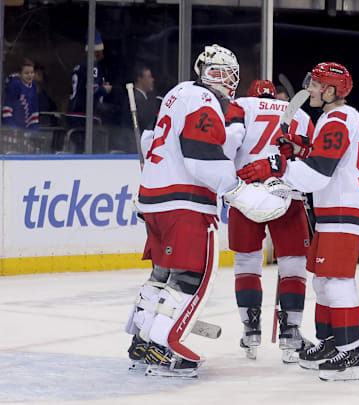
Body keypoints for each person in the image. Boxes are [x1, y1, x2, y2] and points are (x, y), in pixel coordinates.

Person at [238, 62, 359, 381]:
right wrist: (297, 150)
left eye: (316, 85)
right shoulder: (338, 117)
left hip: (345, 210)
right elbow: (322, 160)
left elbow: (318, 172)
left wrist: (276, 165)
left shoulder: (337, 119)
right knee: (322, 281)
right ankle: (332, 343)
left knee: (337, 282)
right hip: (338, 210)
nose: (310, 89)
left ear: (330, 91)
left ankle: (351, 354)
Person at [123, 44, 248, 378]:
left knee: (161, 275)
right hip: (186, 202)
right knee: (190, 276)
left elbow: (150, 141)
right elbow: (200, 154)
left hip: (155, 199)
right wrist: (233, 188)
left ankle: (143, 339)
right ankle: (166, 347)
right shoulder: (204, 100)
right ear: (218, 75)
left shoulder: (177, 93)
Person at [226, 79, 315, 363]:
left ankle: (250, 329)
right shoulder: (298, 113)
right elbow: (313, 155)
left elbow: (227, 142)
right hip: (287, 191)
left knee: (246, 262)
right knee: (293, 264)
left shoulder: (240, 104)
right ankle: (291, 332)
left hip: (246, 190)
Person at [67, 29, 113, 152]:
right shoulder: (92, 65)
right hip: (84, 117)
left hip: (74, 114)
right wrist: (104, 89)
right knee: (85, 151)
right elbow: (92, 92)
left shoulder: (80, 65)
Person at [120, 64, 160, 152]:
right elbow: (145, 121)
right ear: (140, 79)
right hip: (134, 146)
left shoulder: (147, 98)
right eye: (149, 77)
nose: (152, 80)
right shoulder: (135, 99)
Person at [2, 59, 39, 132]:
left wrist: (33, 128)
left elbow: (35, 109)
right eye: (26, 73)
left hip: (25, 129)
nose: (30, 75)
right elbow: (7, 108)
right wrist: (12, 127)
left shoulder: (33, 86)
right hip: (11, 129)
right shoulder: (15, 85)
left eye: (32, 73)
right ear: (19, 74)